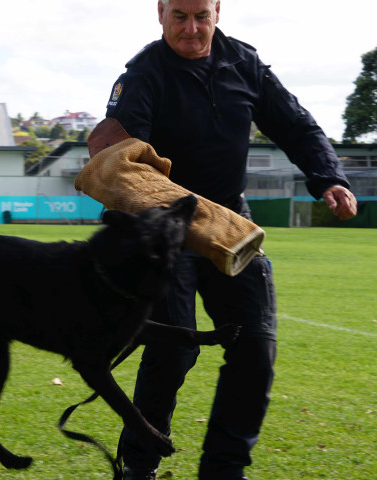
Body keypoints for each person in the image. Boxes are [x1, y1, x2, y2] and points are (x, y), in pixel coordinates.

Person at [100, 1, 358, 479]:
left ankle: (224, 469)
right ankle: (138, 465)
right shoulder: (142, 76)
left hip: (230, 225)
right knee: (174, 348)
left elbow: (297, 126)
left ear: (218, 11)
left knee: (256, 347)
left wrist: (329, 178)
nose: (192, 29)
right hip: (165, 231)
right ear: (160, 13)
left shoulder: (246, 65)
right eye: (180, 16)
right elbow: (122, 157)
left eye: (202, 15)